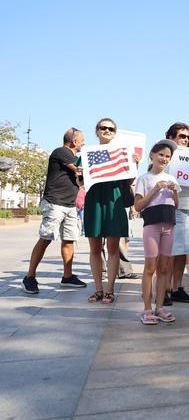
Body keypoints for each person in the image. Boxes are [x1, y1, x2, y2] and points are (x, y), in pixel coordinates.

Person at [22, 127, 87, 294]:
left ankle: (67, 277)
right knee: (46, 238)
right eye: (82, 140)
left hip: (70, 205)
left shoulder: (74, 157)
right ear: (74, 141)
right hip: (55, 203)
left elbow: (81, 179)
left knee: (69, 240)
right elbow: (79, 169)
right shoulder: (62, 152)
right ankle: (29, 277)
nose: (84, 143)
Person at [84, 118, 135, 304]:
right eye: (103, 127)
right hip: (95, 199)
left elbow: (129, 180)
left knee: (113, 247)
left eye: (110, 128)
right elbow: (80, 183)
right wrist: (78, 175)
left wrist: (134, 164)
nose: (106, 130)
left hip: (115, 198)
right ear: (96, 131)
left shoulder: (122, 153)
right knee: (95, 248)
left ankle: (110, 290)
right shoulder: (86, 153)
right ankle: (98, 289)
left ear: (115, 132)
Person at [134, 139, 180, 324]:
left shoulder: (172, 178)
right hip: (151, 225)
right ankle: (146, 309)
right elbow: (138, 206)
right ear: (152, 155)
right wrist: (155, 189)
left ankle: (159, 306)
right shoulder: (144, 179)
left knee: (164, 268)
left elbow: (176, 204)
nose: (164, 158)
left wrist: (175, 192)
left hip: (169, 225)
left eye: (168, 156)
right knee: (150, 268)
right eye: (161, 154)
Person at [165, 122, 189, 303]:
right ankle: (166, 288)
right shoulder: (166, 156)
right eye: (181, 136)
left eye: (187, 136)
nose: (185, 139)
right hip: (172, 208)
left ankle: (177, 287)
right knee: (170, 252)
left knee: (182, 252)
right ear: (171, 138)